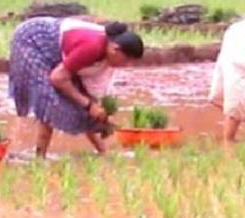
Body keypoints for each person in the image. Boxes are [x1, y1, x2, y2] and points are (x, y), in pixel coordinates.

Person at [8, 17, 144, 157]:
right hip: (33, 40)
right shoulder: (93, 48)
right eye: (127, 60)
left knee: (81, 100)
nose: (127, 65)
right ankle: (38, 156)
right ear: (115, 49)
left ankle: (104, 152)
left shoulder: (106, 52)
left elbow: (88, 95)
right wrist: (89, 105)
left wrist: (92, 106)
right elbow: (57, 78)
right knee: (49, 101)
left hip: (58, 47)